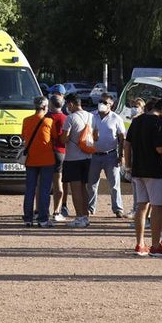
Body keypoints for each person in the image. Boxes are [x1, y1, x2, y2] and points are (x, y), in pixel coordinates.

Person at [125, 98, 162, 257]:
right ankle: (155, 245)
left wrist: (128, 164)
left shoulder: (137, 121)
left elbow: (127, 143)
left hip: (138, 168)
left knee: (141, 206)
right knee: (158, 207)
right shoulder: (158, 124)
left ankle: (140, 243)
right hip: (155, 170)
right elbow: (160, 149)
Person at [86, 92, 126, 219]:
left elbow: (122, 138)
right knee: (92, 184)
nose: (102, 104)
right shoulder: (91, 116)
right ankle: (90, 208)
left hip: (111, 155)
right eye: (100, 101)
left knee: (114, 184)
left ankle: (118, 209)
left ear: (111, 105)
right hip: (94, 155)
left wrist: (122, 155)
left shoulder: (116, 118)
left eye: (105, 102)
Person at [59, 92, 94, 228]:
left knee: (75, 189)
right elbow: (95, 136)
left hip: (73, 158)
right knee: (83, 187)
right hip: (87, 157)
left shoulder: (70, 118)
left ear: (71, 104)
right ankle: (85, 215)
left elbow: (64, 138)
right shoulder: (91, 116)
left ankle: (79, 217)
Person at [21, 97, 56, 227]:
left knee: (30, 189)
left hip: (31, 160)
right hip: (47, 160)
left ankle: (28, 218)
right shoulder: (49, 121)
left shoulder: (26, 121)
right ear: (45, 107)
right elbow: (54, 137)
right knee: (44, 190)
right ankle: (43, 219)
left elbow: (24, 136)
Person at [48, 92, 69, 221]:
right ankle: (57, 211)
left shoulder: (45, 117)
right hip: (60, 152)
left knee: (43, 182)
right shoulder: (65, 118)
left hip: (46, 152)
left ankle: (39, 210)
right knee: (58, 182)